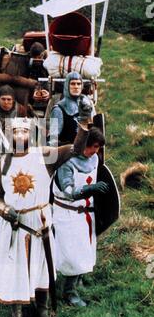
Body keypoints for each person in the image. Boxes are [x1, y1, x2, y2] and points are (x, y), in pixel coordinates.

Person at [0, 98, 92, 317]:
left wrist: (85, 122)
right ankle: (17, 313)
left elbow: (76, 149)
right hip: (16, 225)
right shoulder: (4, 162)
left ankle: (43, 310)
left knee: (42, 265)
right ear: (10, 135)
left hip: (39, 223)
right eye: (15, 132)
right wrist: (5, 210)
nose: (19, 136)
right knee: (16, 268)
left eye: (23, 132)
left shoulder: (44, 155)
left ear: (29, 134)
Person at [52, 127, 109, 307]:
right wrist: (89, 189)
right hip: (68, 213)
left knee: (85, 250)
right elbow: (68, 191)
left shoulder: (94, 159)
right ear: (84, 144)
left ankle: (77, 280)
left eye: (98, 148)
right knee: (71, 254)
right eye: (93, 146)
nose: (96, 151)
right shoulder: (67, 163)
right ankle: (69, 293)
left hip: (86, 212)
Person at [48, 72, 95, 146]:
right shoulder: (59, 109)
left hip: (86, 150)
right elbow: (52, 139)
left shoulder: (87, 104)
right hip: (67, 151)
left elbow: (94, 132)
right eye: (73, 84)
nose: (76, 87)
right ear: (67, 85)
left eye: (79, 84)